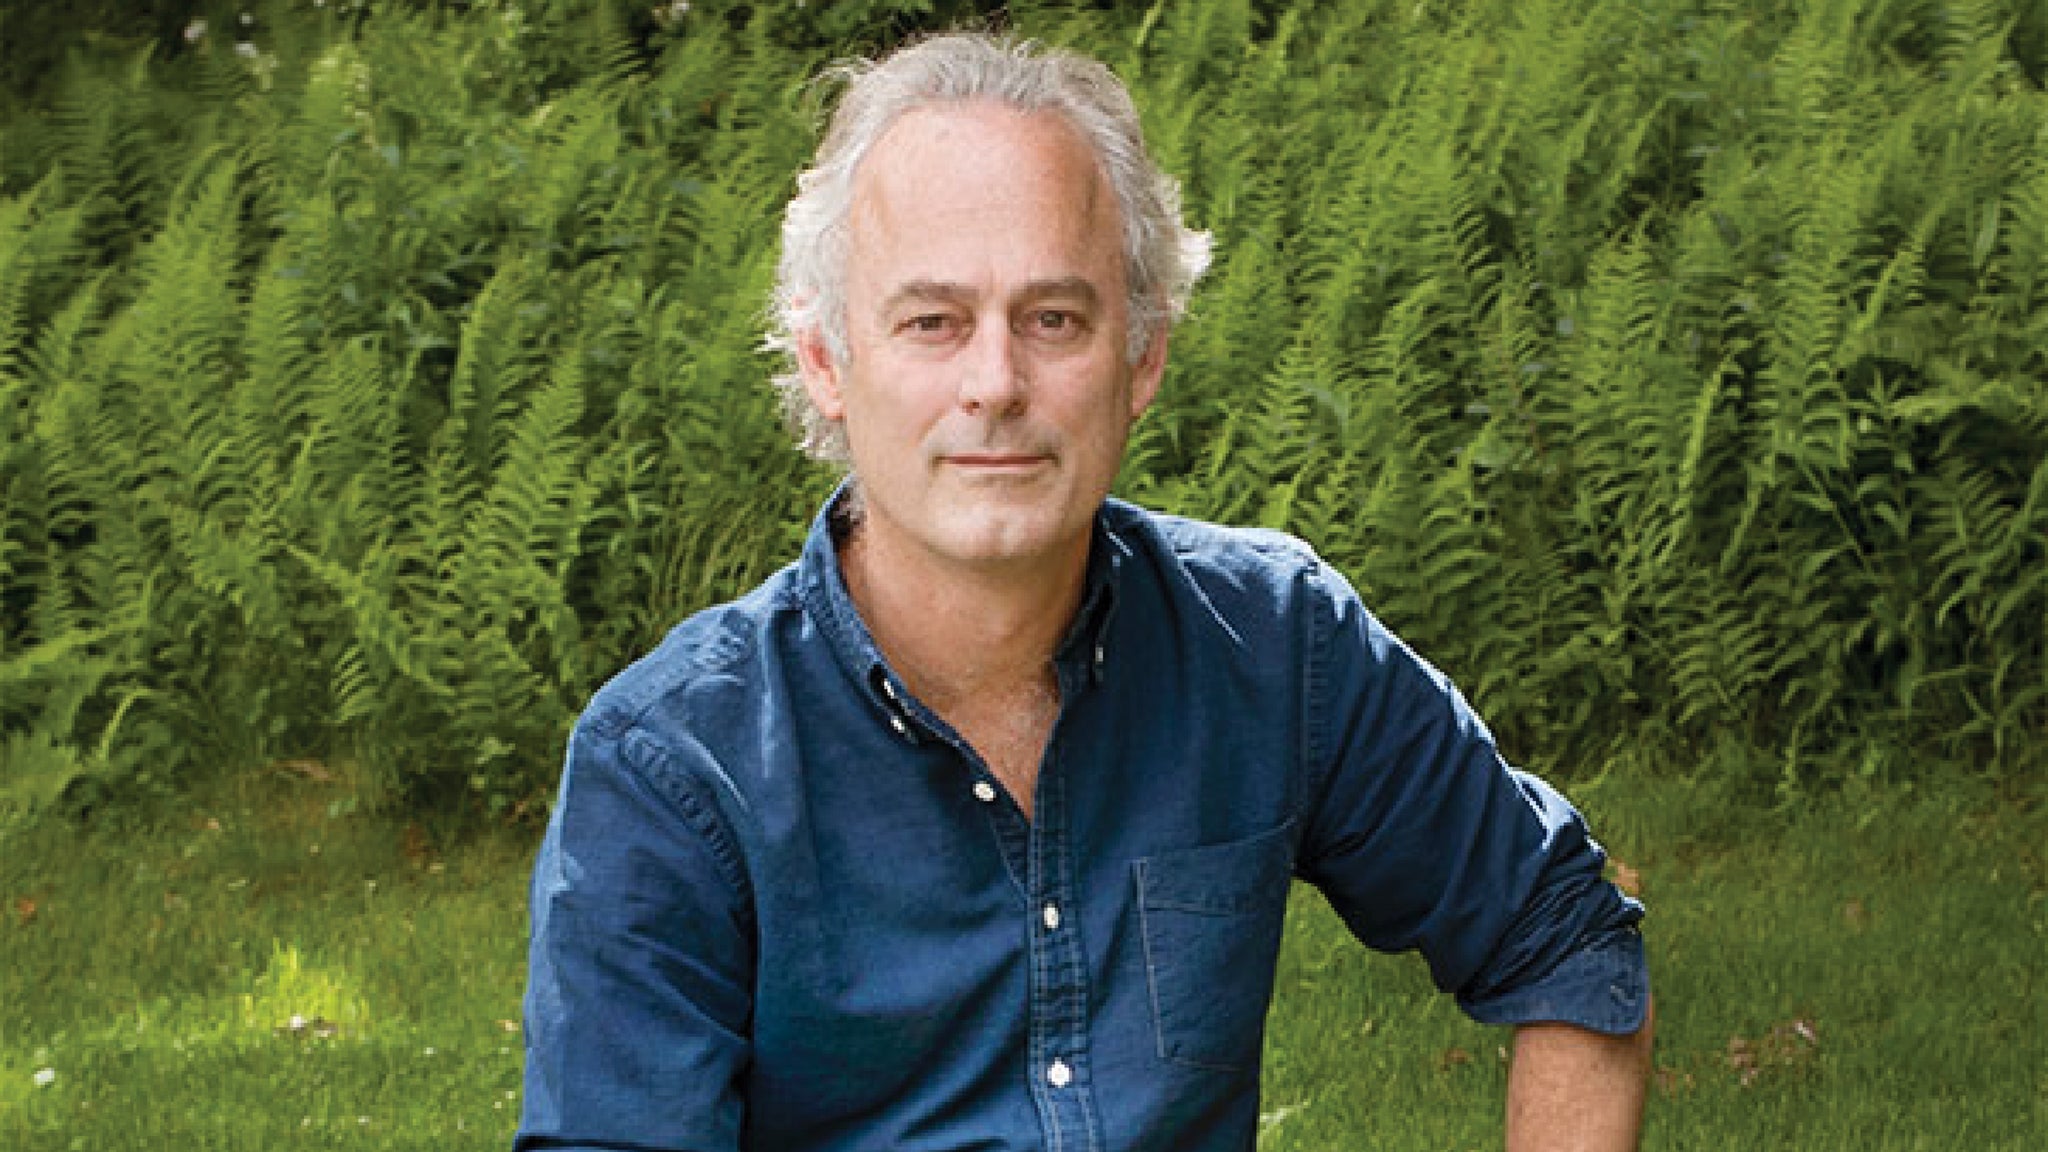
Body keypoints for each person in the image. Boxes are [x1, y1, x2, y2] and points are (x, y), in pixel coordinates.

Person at [517, 32, 1652, 1152]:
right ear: (826, 360)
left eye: (1053, 319)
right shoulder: (670, 770)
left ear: (1142, 355)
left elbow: (1563, 930)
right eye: (932, 322)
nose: (996, 383)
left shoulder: (1273, 647)